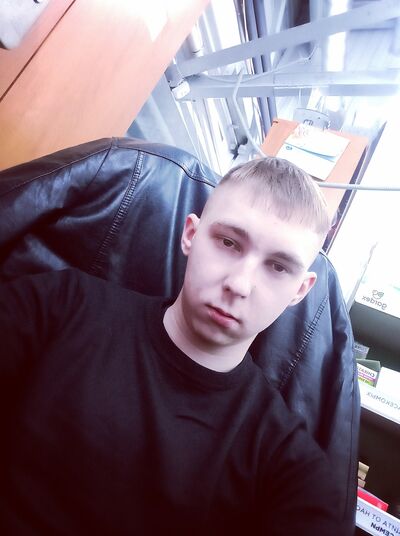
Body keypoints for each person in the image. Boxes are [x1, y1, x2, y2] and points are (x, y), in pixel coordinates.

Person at [0, 157, 344, 534]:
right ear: (190, 235)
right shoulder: (62, 307)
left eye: (278, 267)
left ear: (300, 290)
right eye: (229, 242)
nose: (239, 285)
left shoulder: (287, 464)